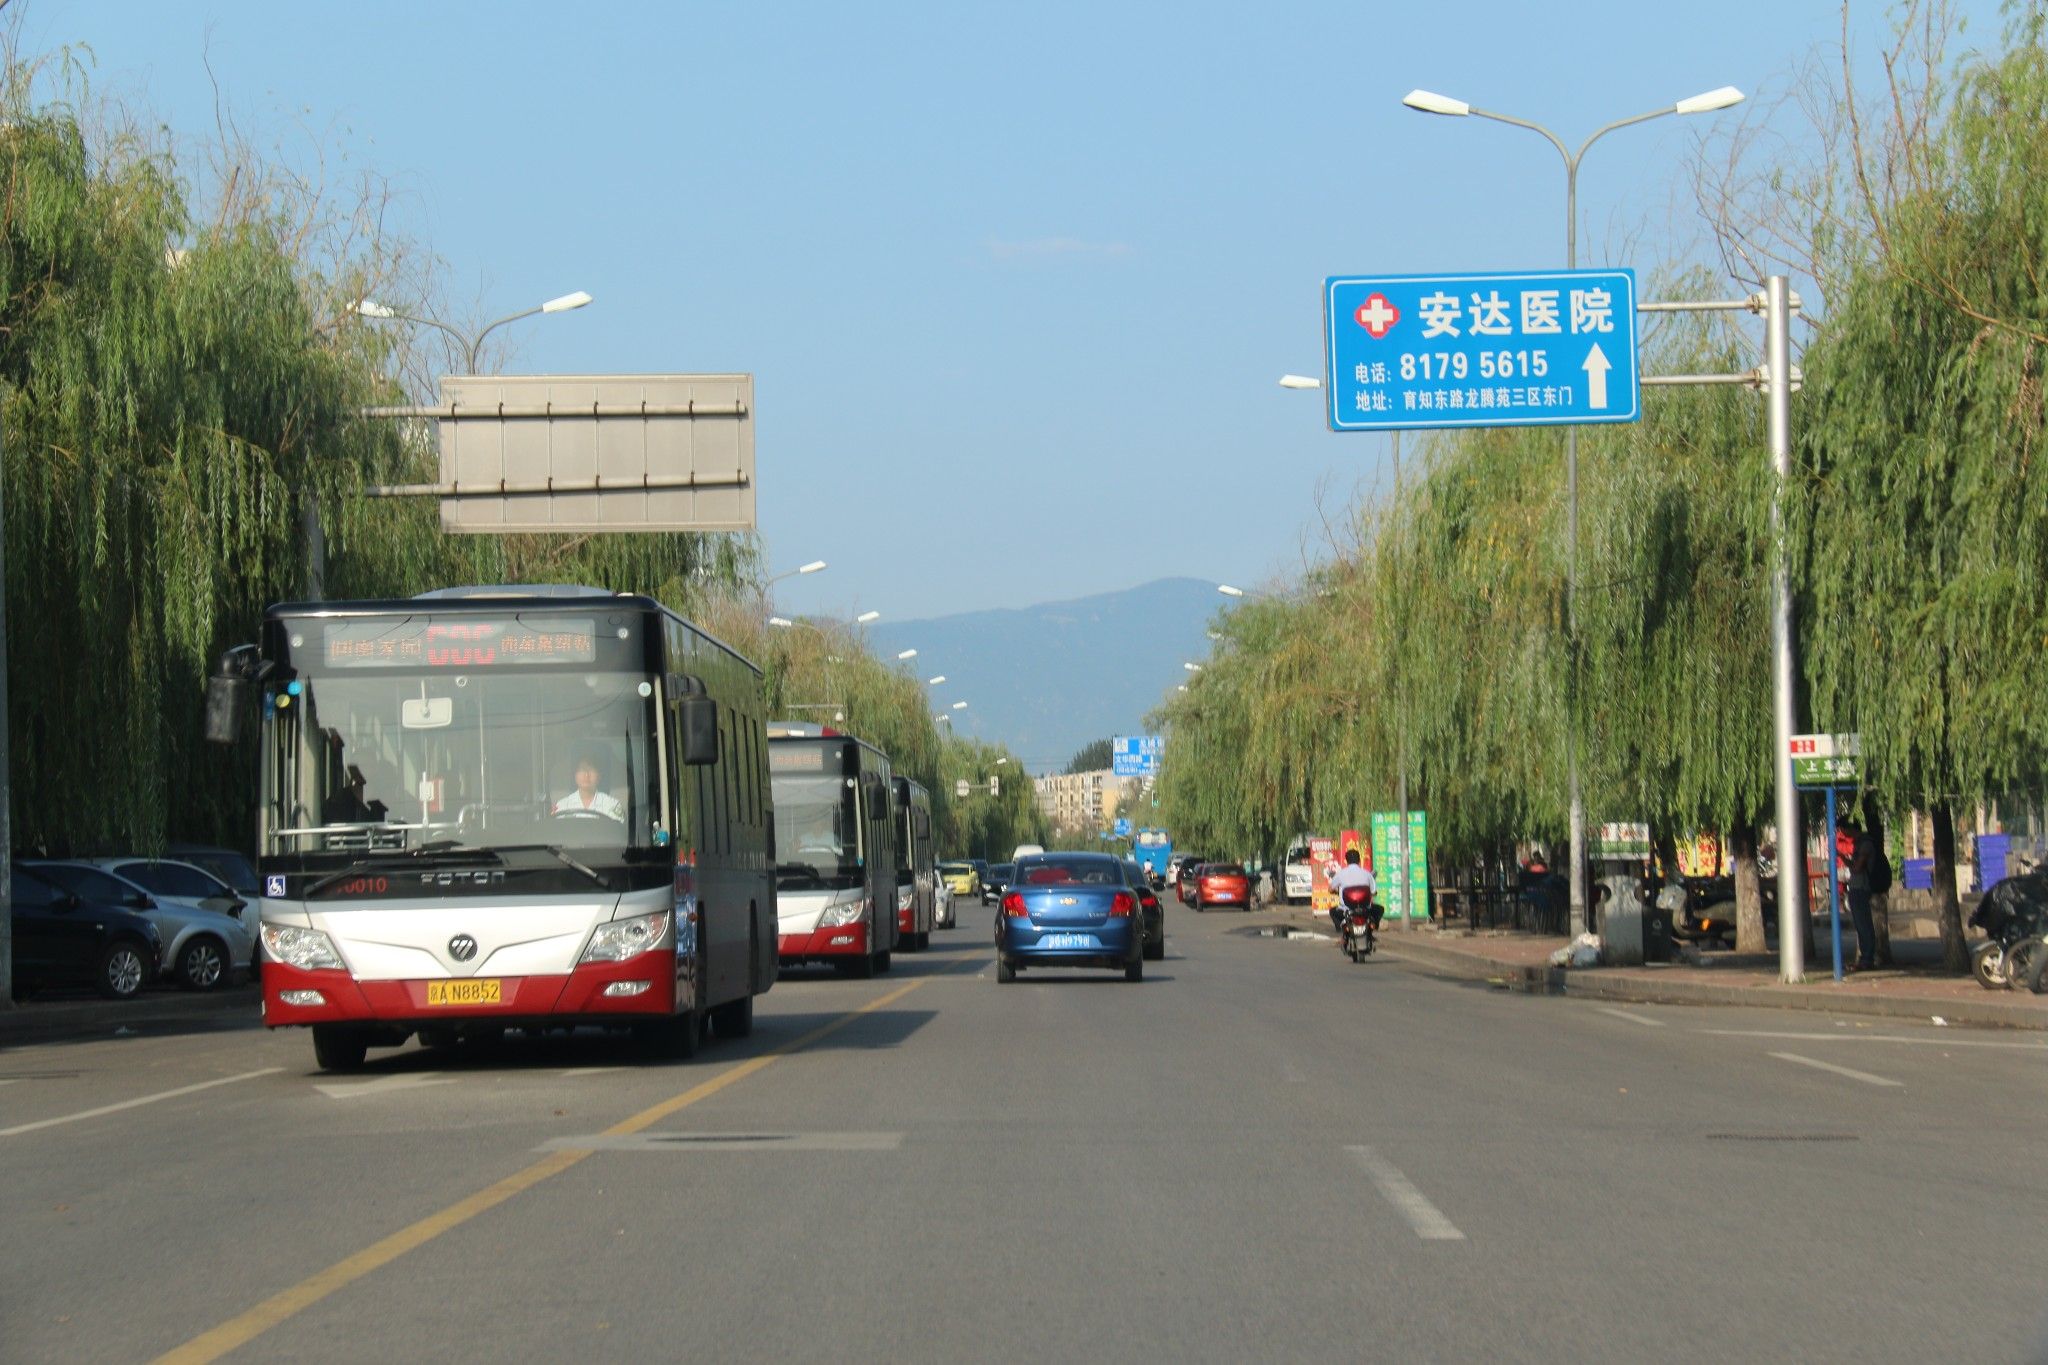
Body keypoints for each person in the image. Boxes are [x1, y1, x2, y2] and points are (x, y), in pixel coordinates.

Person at [1840, 820, 1877, 971]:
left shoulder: (1865, 844)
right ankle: (1865, 958)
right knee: (1861, 924)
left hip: (1861, 887)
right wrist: (1842, 857)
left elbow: (1857, 868)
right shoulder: (1860, 843)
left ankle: (1867, 959)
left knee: (1864, 924)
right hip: (1857, 886)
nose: (1843, 834)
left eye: (1843, 830)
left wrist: (1848, 861)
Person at [553, 754, 625, 822]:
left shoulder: (613, 805)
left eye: (591, 770)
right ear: (575, 775)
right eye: (582, 769)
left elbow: (616, 832)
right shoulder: (562, 806)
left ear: (599, 776)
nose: (586, 775)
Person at [1329, 848, 1378, 938]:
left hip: (1346, 908)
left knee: (1332, 911)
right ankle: (1372, 930)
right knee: (1379, 909)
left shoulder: (1340, 874)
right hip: (1365, 908)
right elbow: (1374, 892)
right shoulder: (1367, 874)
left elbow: (1330, 889)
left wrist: (1336, 891)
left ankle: (1342, 933)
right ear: (1359, 860)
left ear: (1346, 861)